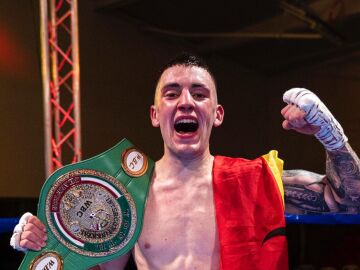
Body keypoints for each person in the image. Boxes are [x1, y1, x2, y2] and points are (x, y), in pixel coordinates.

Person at [11, 53, 360, 270]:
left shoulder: (255, 180)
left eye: (200, 93)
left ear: (217, 114)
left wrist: (332, 139)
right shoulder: (126, 197)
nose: (186, 102)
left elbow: (347, 202)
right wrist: (45, 242)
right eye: (172, 93)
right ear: (154, 114)